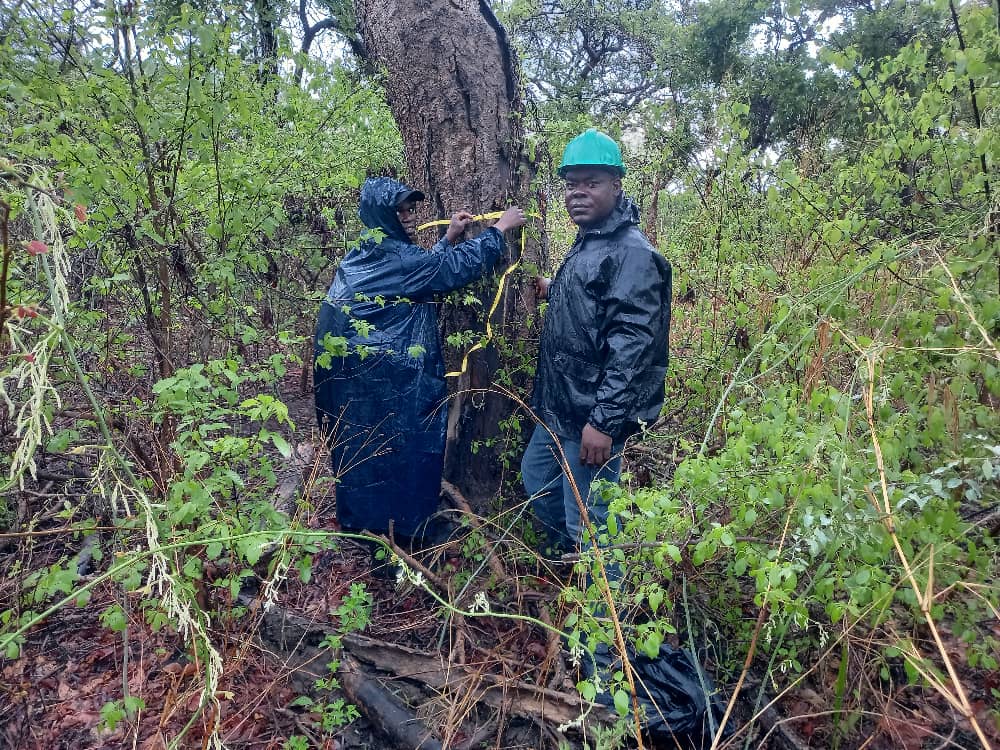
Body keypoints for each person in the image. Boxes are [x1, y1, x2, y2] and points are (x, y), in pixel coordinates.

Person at [315, 176, 526, 547]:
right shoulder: (396, 256)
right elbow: (445, 271)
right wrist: (499, 230)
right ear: (383, 214)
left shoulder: (367, 251)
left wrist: (447, 238)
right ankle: (405, 533)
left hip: (356, 380)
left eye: (412, 209)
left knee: (366, 450)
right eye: (402, 210)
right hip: (388, 377)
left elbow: (421, 272)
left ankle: (368, 527)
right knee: (403, 448)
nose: (411, 216)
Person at [522, 129, 671, 554]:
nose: (578, 193)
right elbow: (598, 299)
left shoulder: (633, 253)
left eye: (592, 182)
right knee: (536, 481)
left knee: (590, 521)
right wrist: (556, 286)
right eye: (572, 184)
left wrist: (603, 423)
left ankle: (608, 614)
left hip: (593, 413)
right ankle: (567, 566)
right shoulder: (592, 239)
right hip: (559, 404)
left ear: (616, 185)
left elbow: (633, 348)